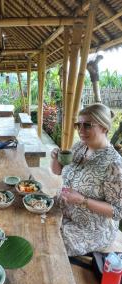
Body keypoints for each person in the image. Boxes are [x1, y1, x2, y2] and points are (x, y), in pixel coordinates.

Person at [51, 103, 122, 256]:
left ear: (104, 127)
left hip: (90, 228)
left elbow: (117, 211)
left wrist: (82, 200)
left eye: (88, 125)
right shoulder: (79, 147)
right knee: (35, 220)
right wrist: (55, 158)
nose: (81, 130)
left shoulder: (114, 165)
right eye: (78, 125)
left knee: (51, 243)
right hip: (63, 209)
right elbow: (58, 171)